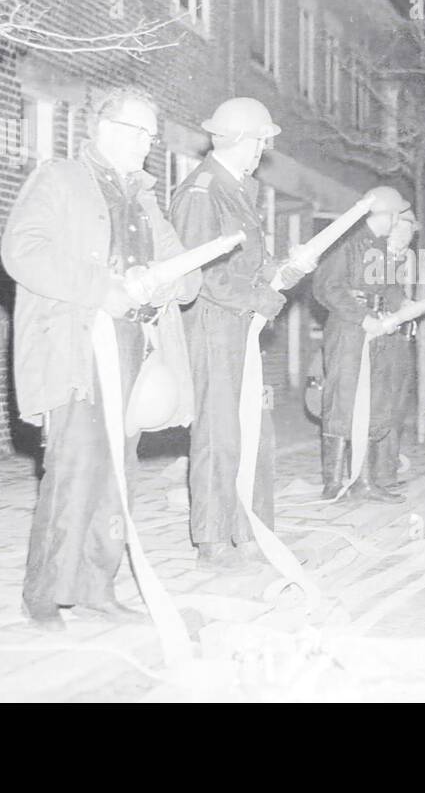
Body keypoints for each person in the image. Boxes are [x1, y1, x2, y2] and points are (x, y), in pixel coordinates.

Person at [2, 85, 198, 631]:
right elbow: (23, 251)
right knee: (76, 466)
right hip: (78, 348)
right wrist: (100, 288)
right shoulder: (59, 179)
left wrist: (162, 283)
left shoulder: (144, 197)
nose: (149, 144)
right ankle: (44, 594)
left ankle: (96, 586)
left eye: (153, 135)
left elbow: (186, 278)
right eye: (140, 132)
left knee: (118, 471)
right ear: (106, 129)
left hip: (133, 350)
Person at [170, 97, 307, 569]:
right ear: (237, 140)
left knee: (250, 428)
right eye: (259, 142)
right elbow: (200, 274)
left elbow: (244, 263)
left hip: (237, 324)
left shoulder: (236, 189)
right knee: (218, 430)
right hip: (211, 324)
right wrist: (260, 299)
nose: (261, 152)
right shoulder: (202, 192)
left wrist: (283, 269)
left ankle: (246, 530)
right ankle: (212, 539)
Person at [312, 187, 412, 504]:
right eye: (397, 214)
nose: (398, 221)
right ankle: (333, 482)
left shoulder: (381, 249)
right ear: (386, 214)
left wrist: (404, 308)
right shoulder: (346, 242)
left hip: (377, 329)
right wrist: (361, 317)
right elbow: (327, 288)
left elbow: (390, 287)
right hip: (348, 329)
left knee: (372, 403)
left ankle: (363, 481)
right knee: (343, 400)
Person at [372, 206, 420, 490]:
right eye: (401, 230)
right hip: (382, 343)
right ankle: (374, 473)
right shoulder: (376, 261)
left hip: (401, 340)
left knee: (397, 408)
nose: (406, 237)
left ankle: (386, 472)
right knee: (382, 407)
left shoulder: (402, 263)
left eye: (410, 233)